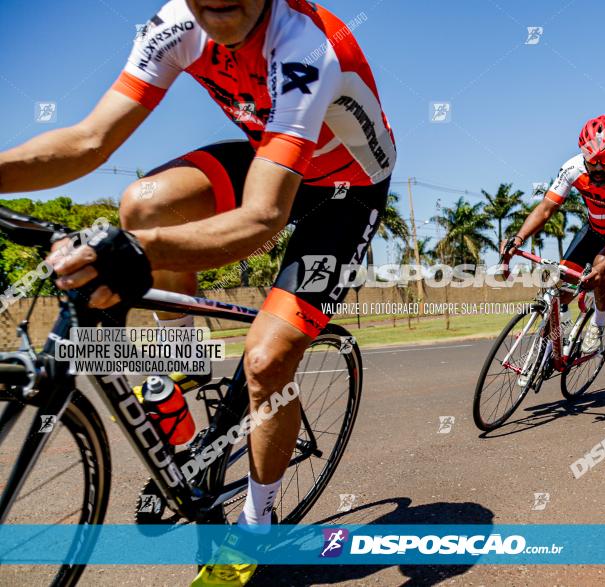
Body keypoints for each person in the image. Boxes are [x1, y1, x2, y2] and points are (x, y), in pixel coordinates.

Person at [0, 0, 395, 583]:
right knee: (143, 204)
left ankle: (256, 528)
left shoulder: (306, 45)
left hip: (344, 191)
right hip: (272, 157)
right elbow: (89, 140)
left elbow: (262, 216)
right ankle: (184, 364)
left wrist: (134, 254)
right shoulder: (177, 24)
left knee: (267, 362)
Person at [501, 115, 605, 354]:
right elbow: (546, 209)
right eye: (592, 160)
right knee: (560, 284)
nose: (598, 167)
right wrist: (518, 239)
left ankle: (598, 324)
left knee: (601, 266)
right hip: (594, 229)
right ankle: (547, 350)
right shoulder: (572, 168)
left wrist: (600, 271)